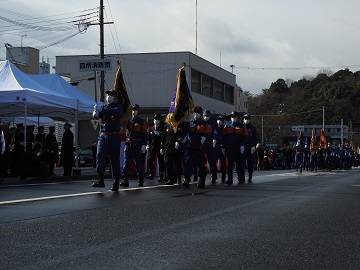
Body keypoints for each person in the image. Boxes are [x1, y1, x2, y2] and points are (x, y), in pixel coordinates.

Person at [92, 89, 123, 191]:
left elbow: (116, 112)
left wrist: (102, 111)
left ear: (115, 97)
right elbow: (99, 116)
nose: (108, 96)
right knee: (99, 156)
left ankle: (116, 182)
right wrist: (96, 112)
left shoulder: (118, 107)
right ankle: (100, 179)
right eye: (108, 95)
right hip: (103, 135)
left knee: (114, 159)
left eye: (111, 95)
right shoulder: (104, 107)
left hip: (113, 135)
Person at [182, 106, 210, 188]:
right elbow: (184, 131)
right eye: (195, 113)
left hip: (200, 148)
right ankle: (186, 179)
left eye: (198, 113)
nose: (196, 114)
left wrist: (205, 137)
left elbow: (208, 132)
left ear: (201, 114)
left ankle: (201, 180)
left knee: (201, 165)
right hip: (190, 147)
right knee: (187, 163)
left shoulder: (204, 124)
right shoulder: (190, 123)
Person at [121, 104, 147, 187]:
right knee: (126, 162)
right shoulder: (128, 121)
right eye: (132, 110)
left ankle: (140, 179)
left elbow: (144, 134)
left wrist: (144, 144)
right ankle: (125, 180)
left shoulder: (142, 122)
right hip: (129, 143)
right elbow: (121, 125)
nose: (134, 111)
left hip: (137, 143)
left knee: (138, 163)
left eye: (135, 110)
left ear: (138, 111)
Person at [222, 111, 245, 185]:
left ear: (237, 117)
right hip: (230, 148)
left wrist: (243, 145)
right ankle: (229, 178)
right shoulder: (227, 126)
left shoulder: (242, 126)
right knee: (229, 164)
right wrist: (223, 147)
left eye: (234, 117)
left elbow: (245, 137)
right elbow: (224, 137)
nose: (233, 118)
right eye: (232, 117)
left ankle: (240, 177)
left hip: (238, 148)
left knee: (239, 164)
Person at [162, 121, 187, 185]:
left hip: (176, 148)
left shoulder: (179, 125)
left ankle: (179, 178)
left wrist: (178, 141)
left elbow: (182, 135)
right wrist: (162, 147)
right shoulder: (166, 126)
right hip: (168, 147)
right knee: (168, 163)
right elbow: (164, 138)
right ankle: (170, 178)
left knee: (177, 163)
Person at [146, 113, 165, 182]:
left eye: (157, 119)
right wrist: (148, 144)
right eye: (154, 119)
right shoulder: (151, 128)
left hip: (159, 147)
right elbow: (148, 138)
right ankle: (151, 173)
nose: (155, 121)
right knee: (150, 160)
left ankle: (161, 175)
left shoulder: (162, 128)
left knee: (161, 161)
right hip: (152, 147)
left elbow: (163, 138)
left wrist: (162, 147)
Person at [202, 109, 218, 183]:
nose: (206, 117)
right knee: (202, 161)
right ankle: (202, 176)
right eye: (205, 116)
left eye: (207, 116)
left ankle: (213, 175)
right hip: (203, 144)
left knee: (212, 161)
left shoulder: (213, 124)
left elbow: (215, 132)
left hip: (210, 144)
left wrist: (215, 139)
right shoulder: (202, 123)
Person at [241, 113, 257, 183]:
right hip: (243, 147)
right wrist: (241, 145)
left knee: (250, 163)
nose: (246, 120)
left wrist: (253, 146)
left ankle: (250, 175)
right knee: (242, 163)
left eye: (247, 119)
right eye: (245, 119)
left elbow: (255, 138)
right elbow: (239, 138)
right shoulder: (241, 127)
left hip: (250, 147)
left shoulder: (252, 128)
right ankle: (242, 176)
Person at [213, 115, 227, 183]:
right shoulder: (215, 128)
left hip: (222, 147)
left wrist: (224, 147)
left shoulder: (224, 129)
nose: (219, 121)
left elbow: (225, 139)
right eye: (218, 120)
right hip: (215, 147)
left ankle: (223, 176)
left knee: (223, 163)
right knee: (213, 162)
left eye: (221, 120)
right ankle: (214, 176)